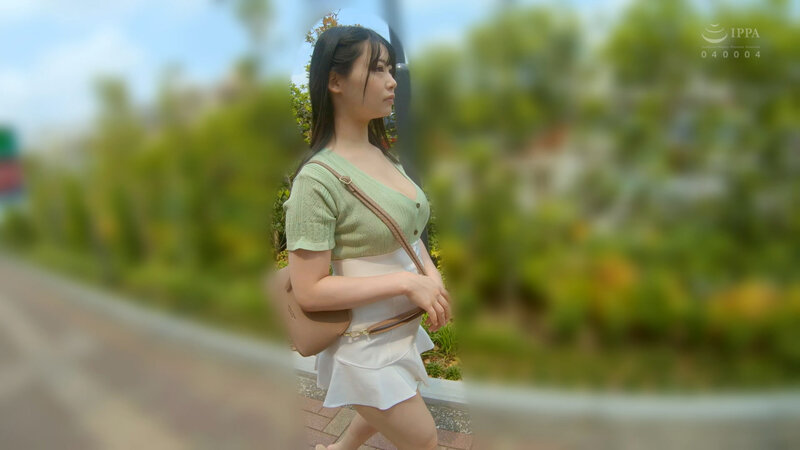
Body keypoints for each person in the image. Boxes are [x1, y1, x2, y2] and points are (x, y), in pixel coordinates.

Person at [282, 25, 453, 450]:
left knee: (390, 403)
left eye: (390, 69)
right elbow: (309, 290)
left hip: (398, 328)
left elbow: (408, 232)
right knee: (423, 438)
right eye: (376, 69)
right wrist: (407, 282)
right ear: (335, 81)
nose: (391, 81)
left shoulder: (383, 156)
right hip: (363, 343)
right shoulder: (317, 181)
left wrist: (430, 278)